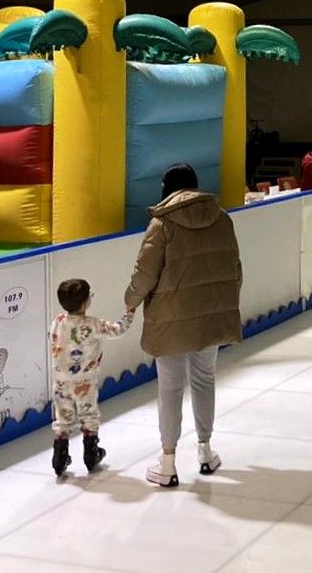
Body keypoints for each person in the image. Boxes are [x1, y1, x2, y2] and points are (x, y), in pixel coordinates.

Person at [125, 163, 242, 488]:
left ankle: (168, 461)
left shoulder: (161, 225)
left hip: (170, 318)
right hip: (210, 315)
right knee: (204, 380)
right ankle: (205, 450)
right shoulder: (222, 218)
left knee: (170, 387)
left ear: (166, 187)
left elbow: (145, 274)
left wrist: (131, 300)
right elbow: (234, 268)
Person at [49, 278, 134, 477]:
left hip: (61, 381)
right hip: (85, 382)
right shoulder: (92, 325)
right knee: (88, 415)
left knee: (63, 417)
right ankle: (91, 453)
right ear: (86, 301)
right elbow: (118, 330)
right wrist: (129, 314)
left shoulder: (57, 322)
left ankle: (59, 456)